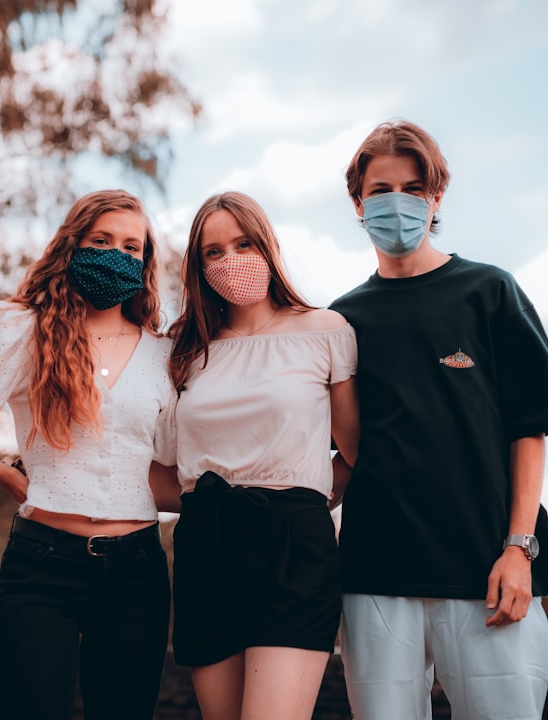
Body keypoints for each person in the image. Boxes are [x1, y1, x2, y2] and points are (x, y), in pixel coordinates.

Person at [0, 190, 180, 720]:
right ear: (72, 246)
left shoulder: (165, 356)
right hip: (41, 569)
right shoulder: (22, 330)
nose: (118, 255)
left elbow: (161, 470)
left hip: (138, 572)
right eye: (102, 240)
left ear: (146, 262)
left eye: (133, 247)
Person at [329, 121, 548, 720]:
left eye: (414, 188)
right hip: (375, 575)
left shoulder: (489, 292)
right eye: (381, 188)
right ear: (358, 202)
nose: (397, 201)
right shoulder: (340, 320)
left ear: (436, 197)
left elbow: (530, 428)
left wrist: (519, 549)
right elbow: (350, 450)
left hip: (487, 568)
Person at [167, 191, 360, 720]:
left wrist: (313, 491)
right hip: (205, 544)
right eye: (213, 252)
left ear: (267, 246)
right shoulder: (183, 351)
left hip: (293, 546)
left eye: (243, 243)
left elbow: (354, 449)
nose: (230, 260)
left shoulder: (325, 330)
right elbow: (164, 467)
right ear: (198, 266)